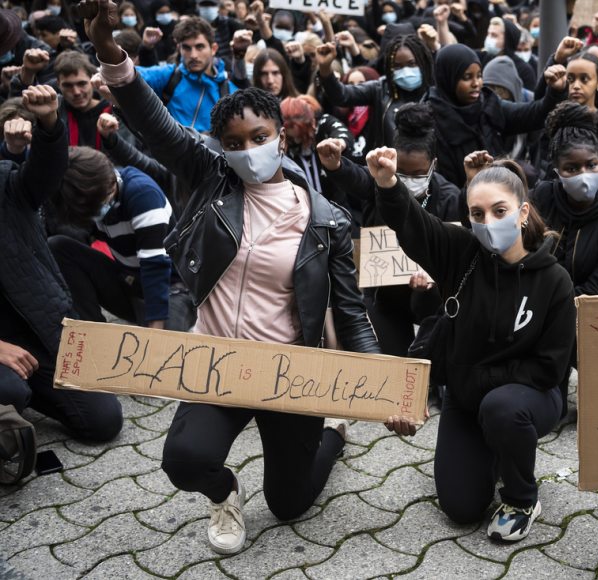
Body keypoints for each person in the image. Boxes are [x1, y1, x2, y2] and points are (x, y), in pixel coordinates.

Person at [87, 0, 380, 554]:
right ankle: (225, 495)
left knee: (289, 505)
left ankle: (332, 434)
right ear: (220, 148)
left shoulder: (325, 219)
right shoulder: (209, 177)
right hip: (216, 359)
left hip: (289, 371)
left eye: (260, 136)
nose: (248, 151)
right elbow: (154, 121)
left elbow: (352, 315)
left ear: (282, 137)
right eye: (235, 143)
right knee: (185, 459)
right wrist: (108, 49)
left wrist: (386, 391)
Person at [369, 145, 575, 542]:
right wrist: (388, 184)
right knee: (461, 508)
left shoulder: (554, 281)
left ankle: (522, 498)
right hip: (465, 400)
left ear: (523, 212)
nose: (487, 222)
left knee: (503, 409)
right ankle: (494, 451)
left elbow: (549, 369)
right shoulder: (461, 253)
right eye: (476, 214)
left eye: (500, 211)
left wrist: (474, 381)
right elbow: (413, 224)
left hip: (528, 399)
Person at [0, 84, 124, 454]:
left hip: (43, 330)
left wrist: (49, 121)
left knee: (103, 420)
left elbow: (45, 172)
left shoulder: (8, 184)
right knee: (11, 390)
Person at [319, 103, 461, 357]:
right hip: (384, 299)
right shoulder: (380, 183)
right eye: (402, 172)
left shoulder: (449, 198)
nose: (408, 179)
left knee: (430, 357)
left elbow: (457, 251)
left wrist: (433, 278)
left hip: (432, 301)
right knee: (388, 362)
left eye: (418, 173)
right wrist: (335, 165)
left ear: (434, 165)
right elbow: (356, 177)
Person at [47, 146, 196, 333]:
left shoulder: (143, 195)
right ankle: (91, 332)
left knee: (164, 351)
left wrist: (155, 334)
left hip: (171, 289)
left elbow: (155, 268)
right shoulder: (90, 199)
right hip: (131, 281)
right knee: (59, 246)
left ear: (110, 184)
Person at [427, 43, 567, 188]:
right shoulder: (430, 119)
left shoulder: (487, 104)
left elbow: (534, 114)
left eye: (479, 76)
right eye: (467, 77)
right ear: (448, 78)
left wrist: (556, 90)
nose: (476, 83)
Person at [529, 101, 598, 296]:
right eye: (571, 168)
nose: (583, 175)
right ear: (557, 170)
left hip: (584, 313)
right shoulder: (541, 198)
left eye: (591, 166)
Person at [538, 49, 598, 197]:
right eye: (570, 79)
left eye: (584, 79)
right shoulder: (556, 119)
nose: (576, 85)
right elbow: (545, 167)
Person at [314, 33, 433, 153]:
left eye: (411, 64)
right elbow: (342, 95)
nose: (406, 71)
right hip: (388, 166)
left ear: (422, 62)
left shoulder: (434, 94)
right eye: (397, 66)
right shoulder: (380, 89)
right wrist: (325, 68)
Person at [136, 16, 237, 133]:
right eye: (187, 48)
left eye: (200, 47)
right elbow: (128, 74)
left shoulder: (228, 90)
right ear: (179, 49)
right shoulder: (170, 76)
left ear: (213, 49)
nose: (193, 55)